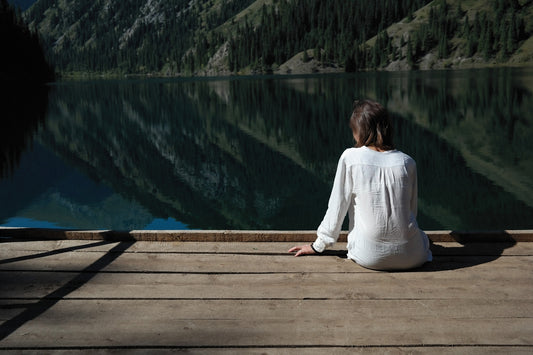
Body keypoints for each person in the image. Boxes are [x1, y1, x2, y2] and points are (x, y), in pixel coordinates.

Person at [289, 99, 432, 271]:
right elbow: (410, 212)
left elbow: (337, 206)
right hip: (413, 256)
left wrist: (317, 246)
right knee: (422, 238)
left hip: (369, 256)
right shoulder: (407, 162)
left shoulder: (351, 158)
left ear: (360, 131)